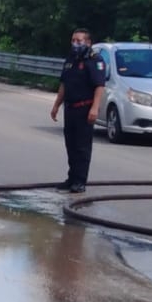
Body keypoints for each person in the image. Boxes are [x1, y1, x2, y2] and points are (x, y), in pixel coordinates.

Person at [50, 27, 106, 193]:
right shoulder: (71, 59)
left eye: (79, 41)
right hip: (70, 108)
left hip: (85, 108)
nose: (75, 44)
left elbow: (99, 86)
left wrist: (95, 108)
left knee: (82, 147)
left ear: (88, 43)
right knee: (71, 145)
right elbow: (64, 84)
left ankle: (80, 181)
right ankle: (72, 178)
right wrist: (56, 105)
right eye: (73, 40)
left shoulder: (94, 60)